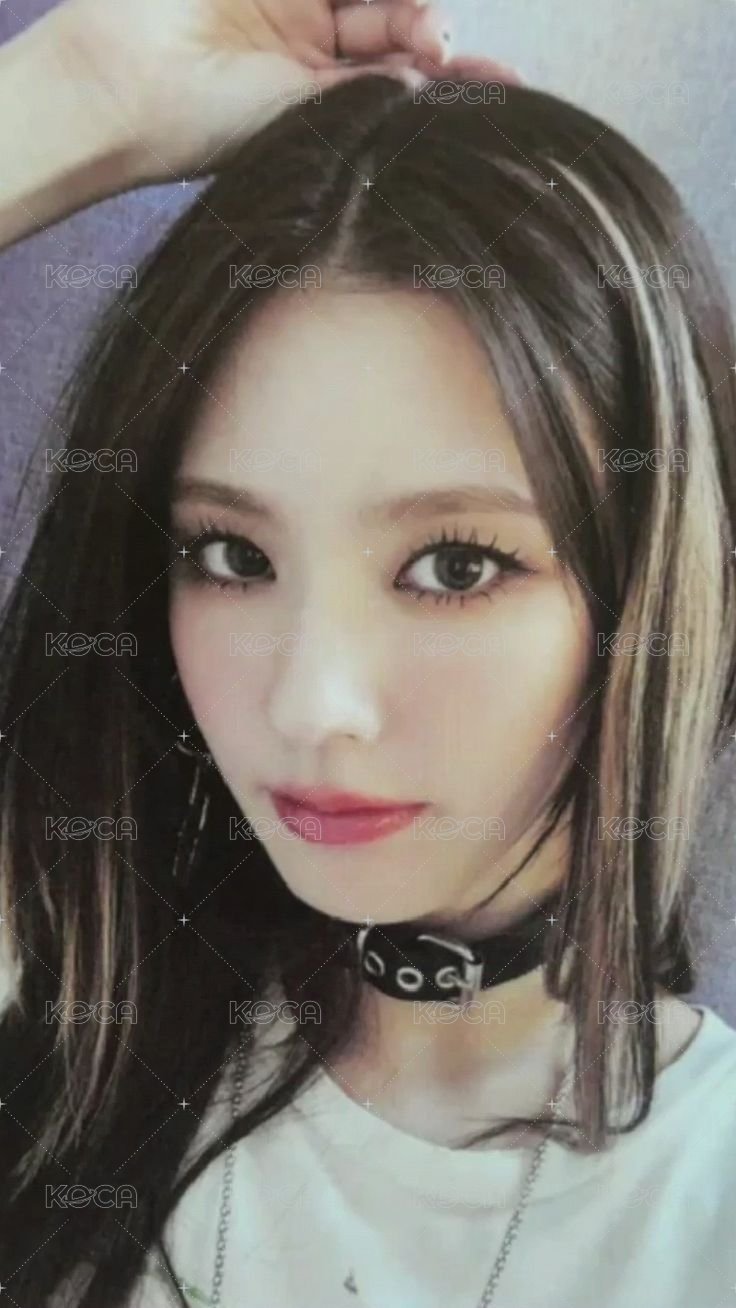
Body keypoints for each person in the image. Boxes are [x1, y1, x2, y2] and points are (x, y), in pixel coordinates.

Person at [0, 3, 735, 1307]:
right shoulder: (72, 990)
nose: (312, 703)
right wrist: (76, 97)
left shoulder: (703, 1205)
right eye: (232, 554)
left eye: (455, 566)